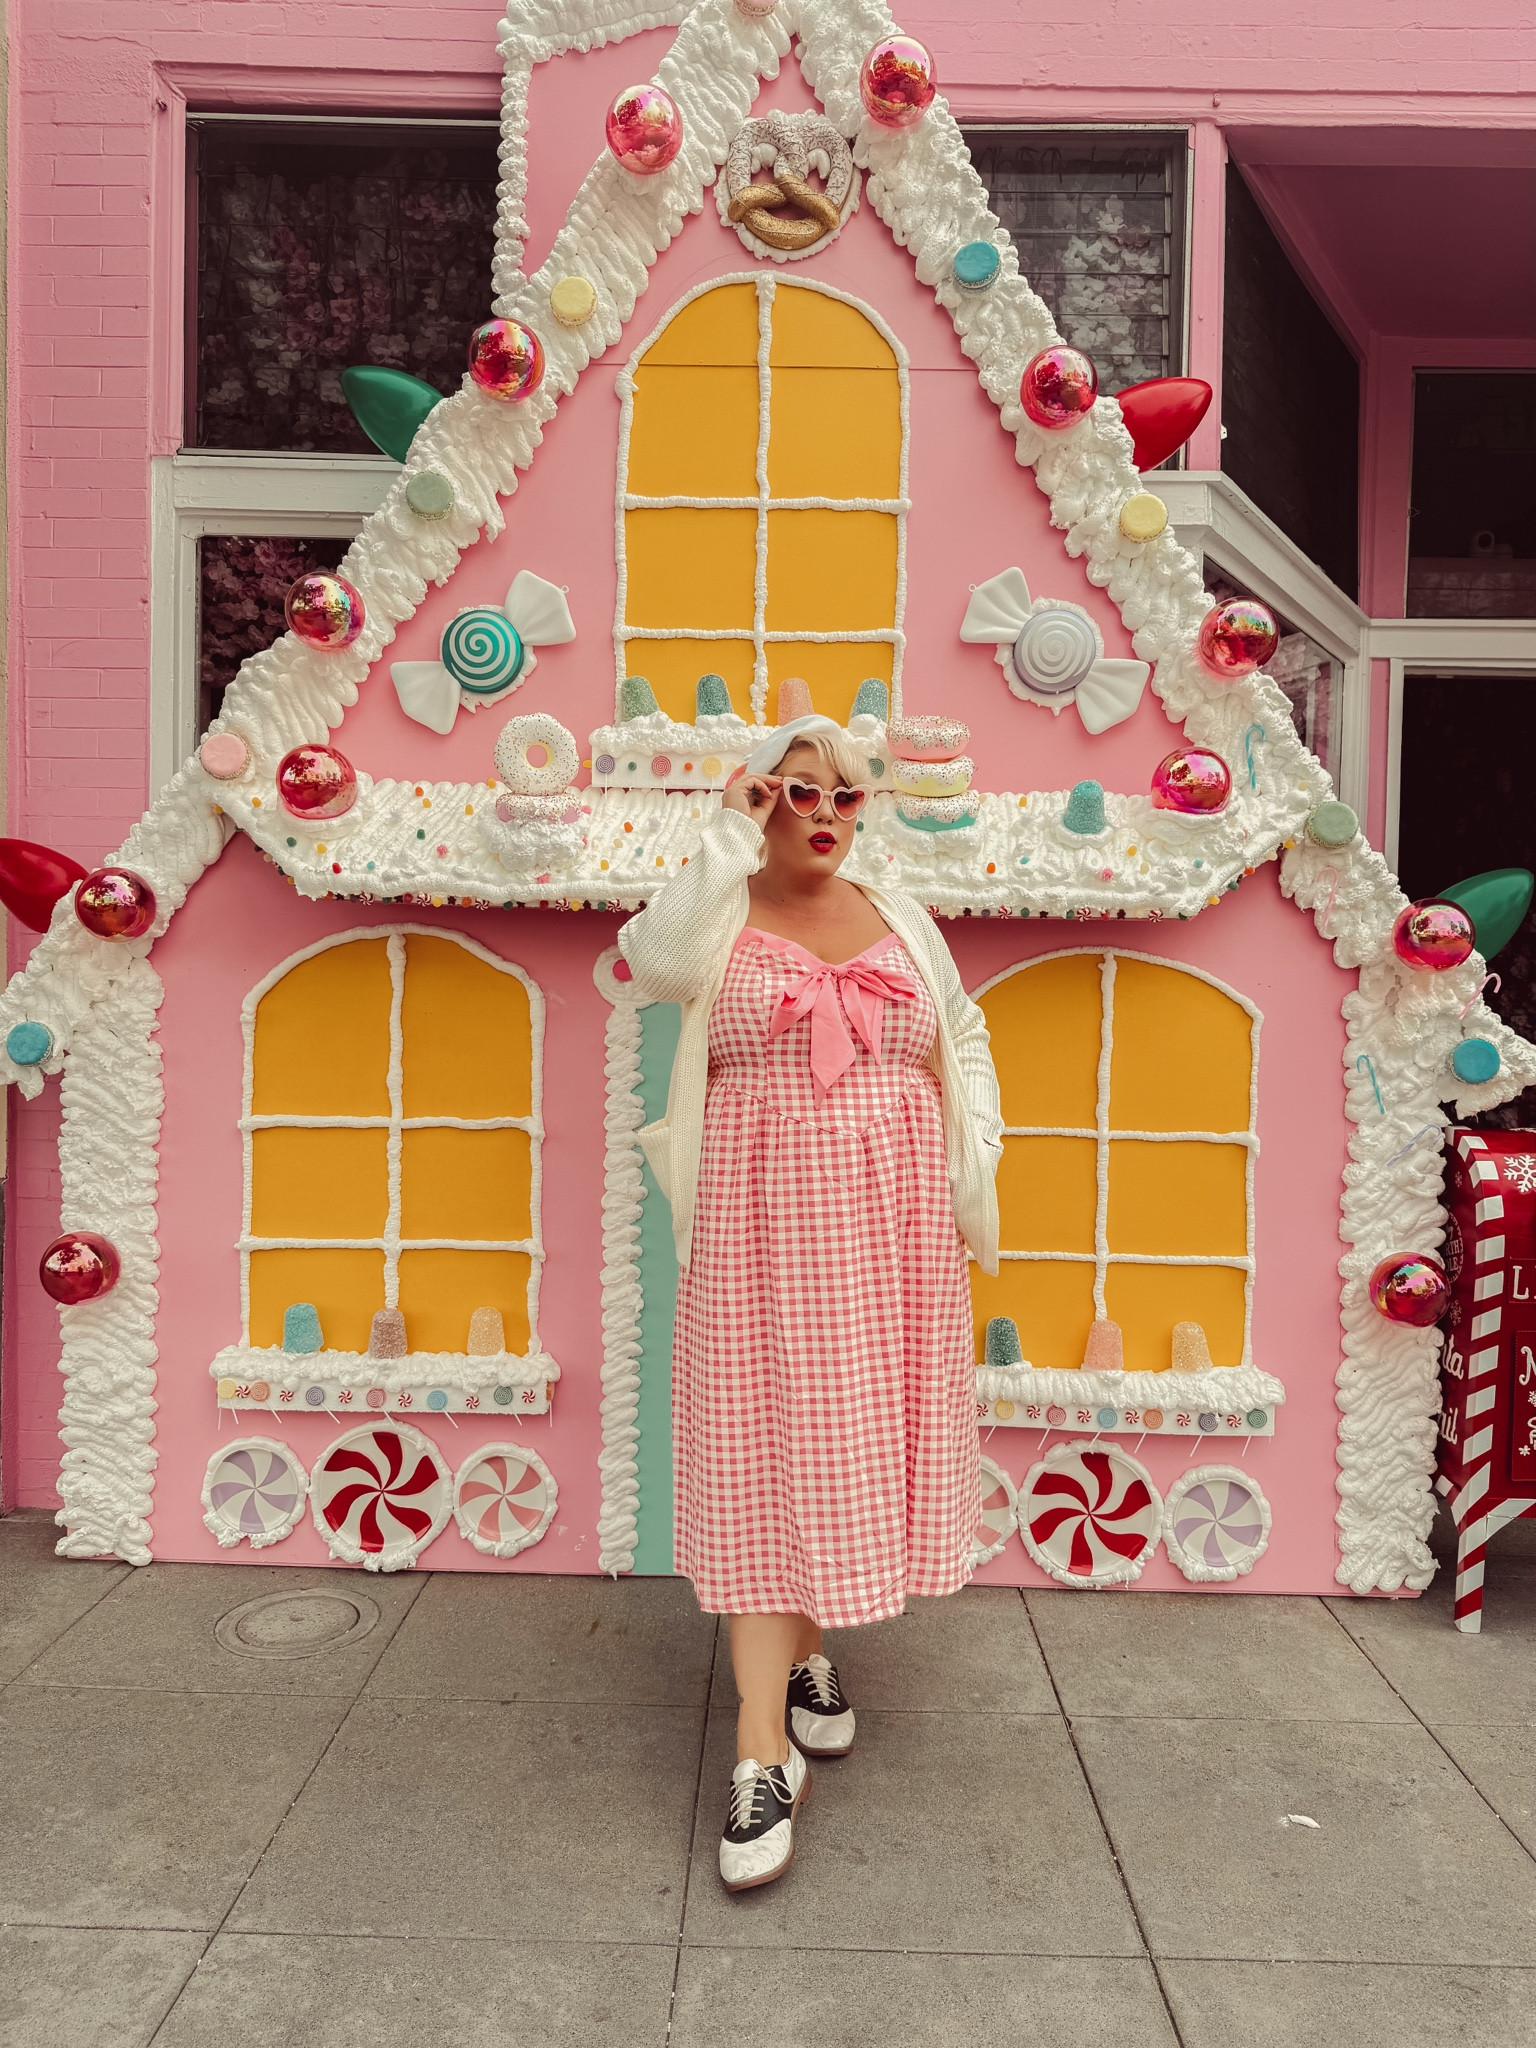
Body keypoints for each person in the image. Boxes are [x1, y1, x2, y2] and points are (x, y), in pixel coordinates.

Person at [617, 713, 1003, 1892]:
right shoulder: (721, 907)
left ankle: (806, 1656)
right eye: (797, 794)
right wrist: (724, 838)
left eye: (844, 798)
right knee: (756, 1448)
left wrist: (966, 1146)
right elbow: (657, 964)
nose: (824, 815)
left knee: (836, 1446)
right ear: (761, 801)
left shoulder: (900, 915)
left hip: (889, 1235)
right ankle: (759, 1748)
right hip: (756, 1223)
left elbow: (961, 1033)